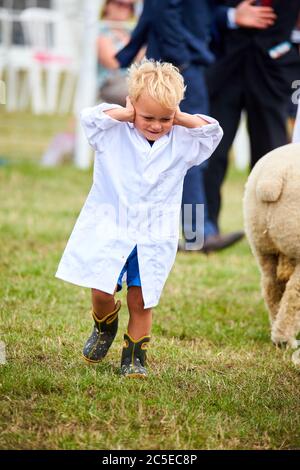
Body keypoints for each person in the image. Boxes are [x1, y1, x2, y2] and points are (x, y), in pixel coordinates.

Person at [55, 60, 223, 377]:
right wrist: (127, 113)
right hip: (111, 227)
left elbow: (212, 132)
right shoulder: (112, 133)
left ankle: (134, 358)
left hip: (153, 235)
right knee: (103, 291)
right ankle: (104, 324)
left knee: (141, 299)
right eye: (148, 117)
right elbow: (90, 119)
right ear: (132, 105)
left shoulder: (183, 142)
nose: (157, 125)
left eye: (165, 118)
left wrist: (180, 117)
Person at [116, 0, 276, 253]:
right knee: (190, 150)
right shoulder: (181, 62)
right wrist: (180, 59)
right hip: (181, 64)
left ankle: (193, 233)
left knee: (180, 151)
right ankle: (197, 234)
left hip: (186, 62)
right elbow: (163, 8)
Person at [205, 0, 300, 235]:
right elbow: (195, 12)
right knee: (206, 157)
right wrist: (230, 15)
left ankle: (274, 234)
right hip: (220, 71)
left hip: (274, 74)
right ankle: (199, 233)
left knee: (272, 161)